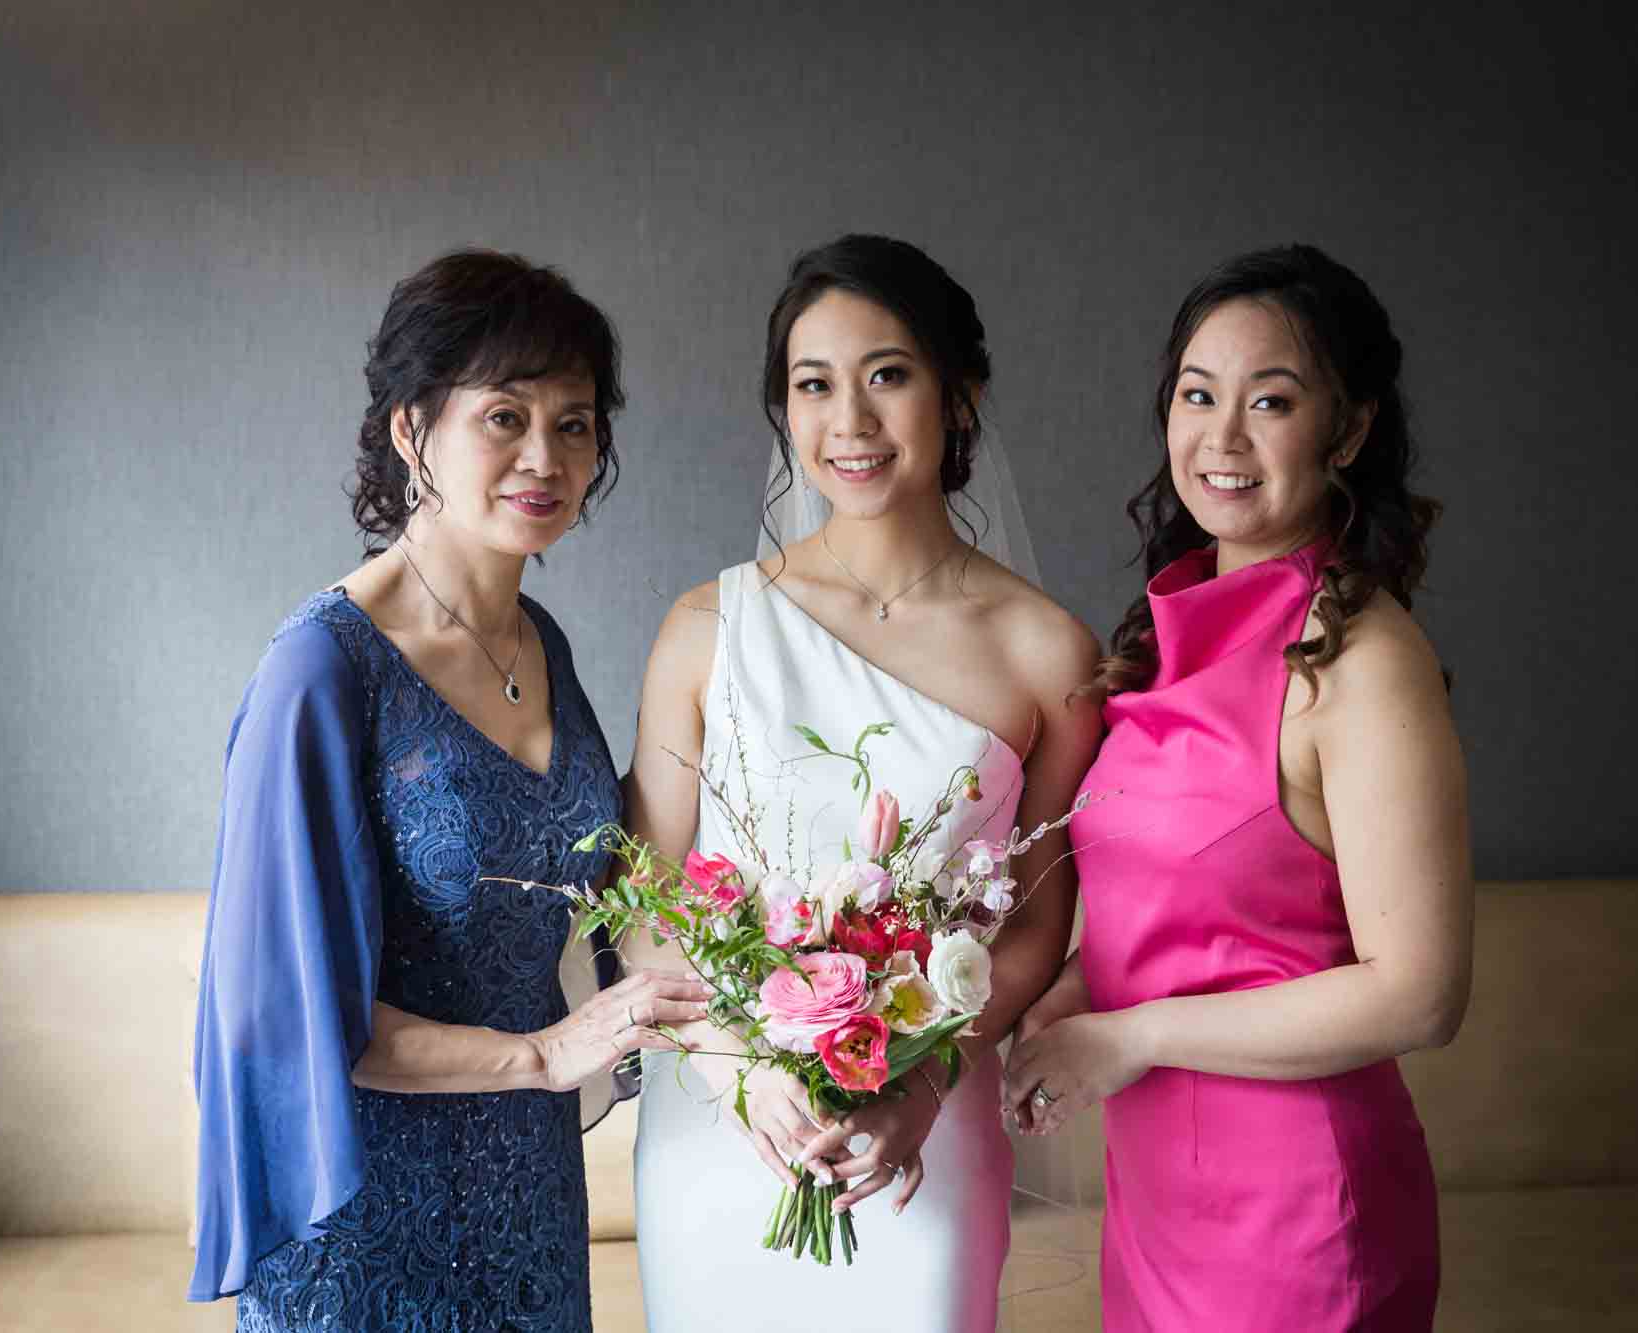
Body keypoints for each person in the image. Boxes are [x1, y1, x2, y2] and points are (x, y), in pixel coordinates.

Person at [188, 249, 711, 1332]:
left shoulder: (544, 646)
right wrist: (541, 1053)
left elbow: (608, 876)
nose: (544, 455)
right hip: (365, 1228)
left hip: (528, 1201)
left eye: (574, 422)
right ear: (411, 429)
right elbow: (280, 1015)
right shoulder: (323, 669)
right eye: (504, 416)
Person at [624, 234, 1102, 1331]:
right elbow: (648, 900)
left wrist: (918, 1086)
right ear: (782, 411)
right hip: (723, 1126)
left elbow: (1031, 932)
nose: (849, 420)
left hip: (919, 1141)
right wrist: (740, 1067)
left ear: (960, 396)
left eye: (886, 375)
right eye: (812, 384)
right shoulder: (704, 628)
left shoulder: (1046, 652)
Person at [1004, 244, 1472, 1332]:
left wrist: (1130, 1036)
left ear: (1346, 430)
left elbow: (1419, 993)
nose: (1220, 437)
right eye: (1195, 394)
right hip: (1163, 1194)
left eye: (1269, 400)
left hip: (1299, 1215)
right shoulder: (1169, 636)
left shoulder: (1358, 657)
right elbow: (1189, 913)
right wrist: (1064, 996)